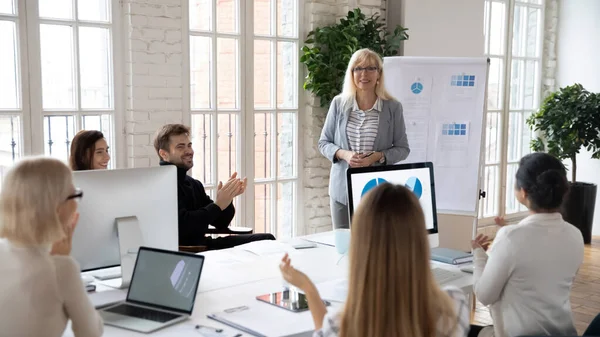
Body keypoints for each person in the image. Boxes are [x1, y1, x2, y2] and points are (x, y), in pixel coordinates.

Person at [279, 183, 469, 337]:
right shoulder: (453, 306)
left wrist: (309, 289)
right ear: (419, 240)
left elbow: (324, 332)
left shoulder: (340, 326)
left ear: (360, 247)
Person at [470, 152, 584, 337]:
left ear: (523, 191)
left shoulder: (511, 237)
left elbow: (484, 295)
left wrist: (478, 255)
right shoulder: (575, 235)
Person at [0, 157, 103, 337]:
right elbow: (91, 333)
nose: (77, 205)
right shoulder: (60, 269)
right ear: (56, 207)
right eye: (75, 195)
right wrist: (62, 260)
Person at [318, 48, 410, 230]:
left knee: (373, 246)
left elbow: (403, 149)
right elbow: (324, 142)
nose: (364, 74)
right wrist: (345, 154)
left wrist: (376, 157)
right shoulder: (339, 104)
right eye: (358, 68)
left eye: (370, 68)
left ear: (379, 74)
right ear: (351, 73)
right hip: (341, 190)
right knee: (344, 248)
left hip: (376, 191)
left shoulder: (393, 107)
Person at [154, 124, 276, 249]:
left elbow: (220, 223)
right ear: (164, 154)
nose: (189, 151)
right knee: (266, 241)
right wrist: (217, 205)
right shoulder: (162, 185)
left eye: (189, 145)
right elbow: (186, 224)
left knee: (267, 239)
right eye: (181, 147)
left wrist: (227, 199)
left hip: (203, 245)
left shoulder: (193, 184)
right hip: (189, 251)